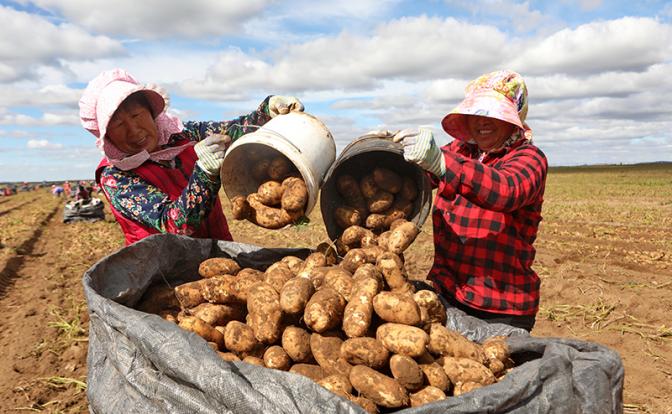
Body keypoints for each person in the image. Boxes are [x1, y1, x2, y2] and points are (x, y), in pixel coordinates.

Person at [393, 70, 547, 331]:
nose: (482, 122)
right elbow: (414, 181)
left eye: (493, 115)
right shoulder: (461, 151)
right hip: (449, 294)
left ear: (514, 118)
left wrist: (442, 164)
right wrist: (389, 153)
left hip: (500, 307)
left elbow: (506, 190)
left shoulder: (530, 158)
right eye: (475, 114)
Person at [79, 68, 304, 245]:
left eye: (137, 115)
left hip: (219, 252)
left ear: (151, 112)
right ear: (107, 136)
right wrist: (204, 174)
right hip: (164, 272)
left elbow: (233, 130)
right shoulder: (115, 176)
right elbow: (174, 224)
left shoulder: (181, 135)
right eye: (118, 124)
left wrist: (267, 111)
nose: (134, 130)